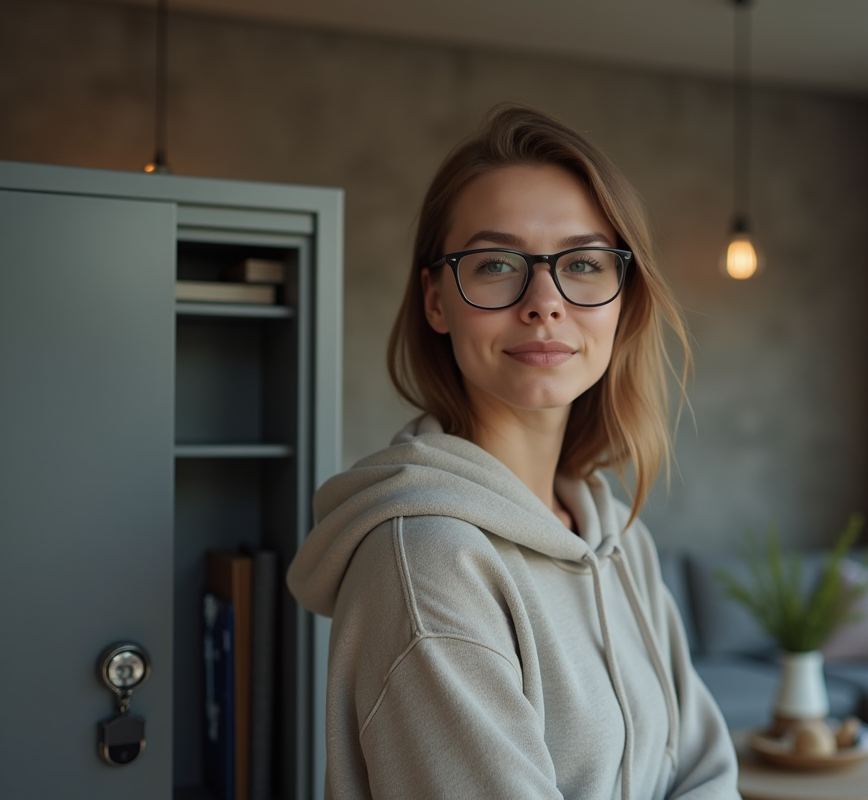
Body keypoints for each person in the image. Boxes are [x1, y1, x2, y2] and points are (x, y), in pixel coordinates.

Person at [287, 104, 740, 800]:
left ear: (623, 302)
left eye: (583, 263)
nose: (544, 302)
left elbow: (707, 770)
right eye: (496, 264)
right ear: (437, 300)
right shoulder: (426, 562)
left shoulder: (618, 536)